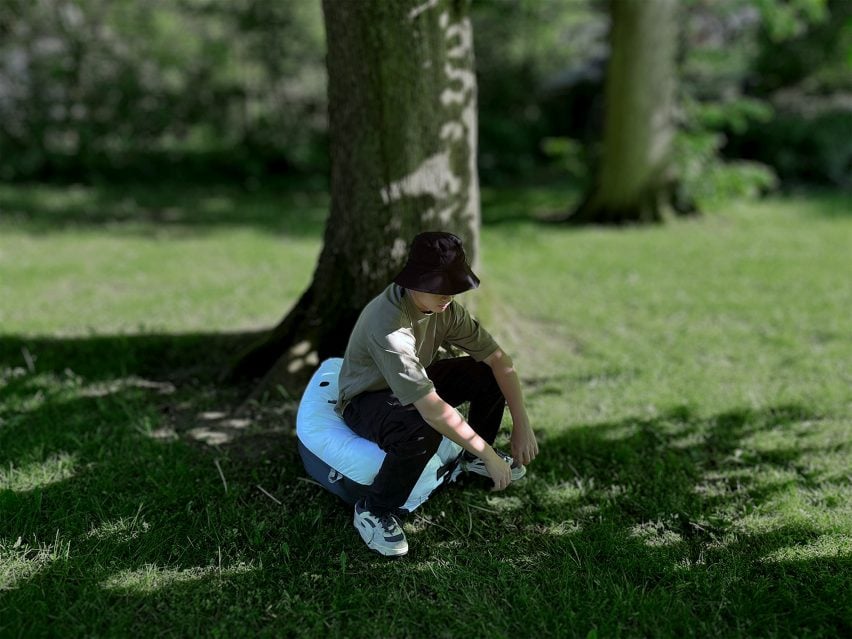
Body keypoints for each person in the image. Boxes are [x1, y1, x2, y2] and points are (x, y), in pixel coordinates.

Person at [336, 231, 539, 556]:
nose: (448, 294)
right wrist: (490, 452)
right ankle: (373, 510)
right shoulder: (389, 326)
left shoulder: (446, 309)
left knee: (486, 373)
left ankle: (471, 460)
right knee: (422, 425)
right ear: (414, 280)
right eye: (437, 285)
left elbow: (500, 361)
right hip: (365, 399)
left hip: (414, 382)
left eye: (453, 284)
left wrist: (521, 423)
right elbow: (431, 409)